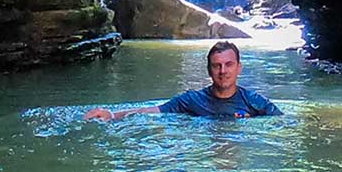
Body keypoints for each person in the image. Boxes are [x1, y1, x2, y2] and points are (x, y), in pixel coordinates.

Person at [83, 41, 283, 120]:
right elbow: (152, 110)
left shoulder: (255, 102)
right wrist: (112, 114)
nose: (223, 71)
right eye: (217, 66)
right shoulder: (191, 100)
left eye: (229, 65)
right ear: (209, 70)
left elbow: (283, 122)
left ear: (239, 68)